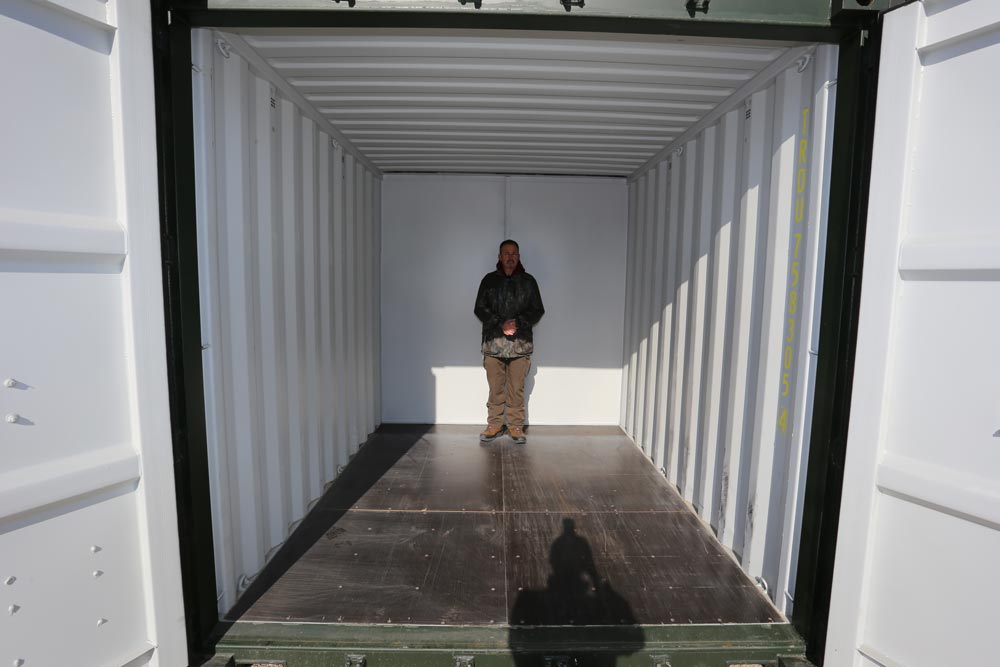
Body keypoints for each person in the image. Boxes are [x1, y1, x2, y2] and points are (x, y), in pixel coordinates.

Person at [474, 239, 544, 444]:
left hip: (519, 346)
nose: (510, 257)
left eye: (514, 253)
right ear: (499, 256)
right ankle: (494, 424)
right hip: (494, 346)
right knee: (495, 388)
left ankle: (515, 426)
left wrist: (518, 323)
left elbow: (538, 309)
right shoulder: (489, 281)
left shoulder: (528, 281)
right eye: (506, 253)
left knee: (516, 388)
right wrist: (500, 324)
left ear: (519, 257)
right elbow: (479, 308)